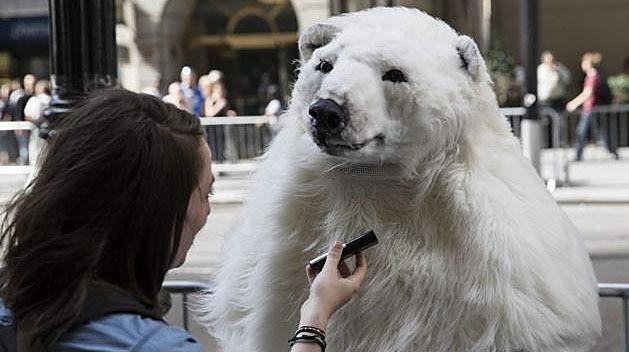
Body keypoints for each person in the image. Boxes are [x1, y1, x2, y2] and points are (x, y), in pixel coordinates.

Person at [0, 89, 367, 351]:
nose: (207, 212)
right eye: (205, 193)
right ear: (160, 211)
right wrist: (315, 318)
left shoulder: (14, 309)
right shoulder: (150, 345)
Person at [566, 52, 619, 161]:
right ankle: (611, 151)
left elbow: (587, 93)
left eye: (584, 62)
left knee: (585, 132)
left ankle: (579, 154)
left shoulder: (592, 76)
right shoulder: (595, 75)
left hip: (591, 109)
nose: (582, 65)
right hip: (592, 109)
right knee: (596, 131)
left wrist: (574, 103)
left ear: (588, 63)